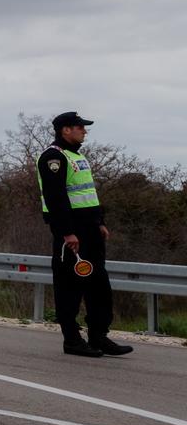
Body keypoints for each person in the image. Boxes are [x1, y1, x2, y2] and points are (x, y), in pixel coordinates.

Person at [37, 112, 132, 358]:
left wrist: (99, 222)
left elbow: (87, 194)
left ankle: (98, 336)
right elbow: (56, 198)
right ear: (65, 130)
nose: (84, 131)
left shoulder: (77, 156)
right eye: (80, 127)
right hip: (72, 234)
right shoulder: (53, 157)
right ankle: (72, 340)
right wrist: (67, 232)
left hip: (90, 231)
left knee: (99, 285)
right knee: (70, 287)